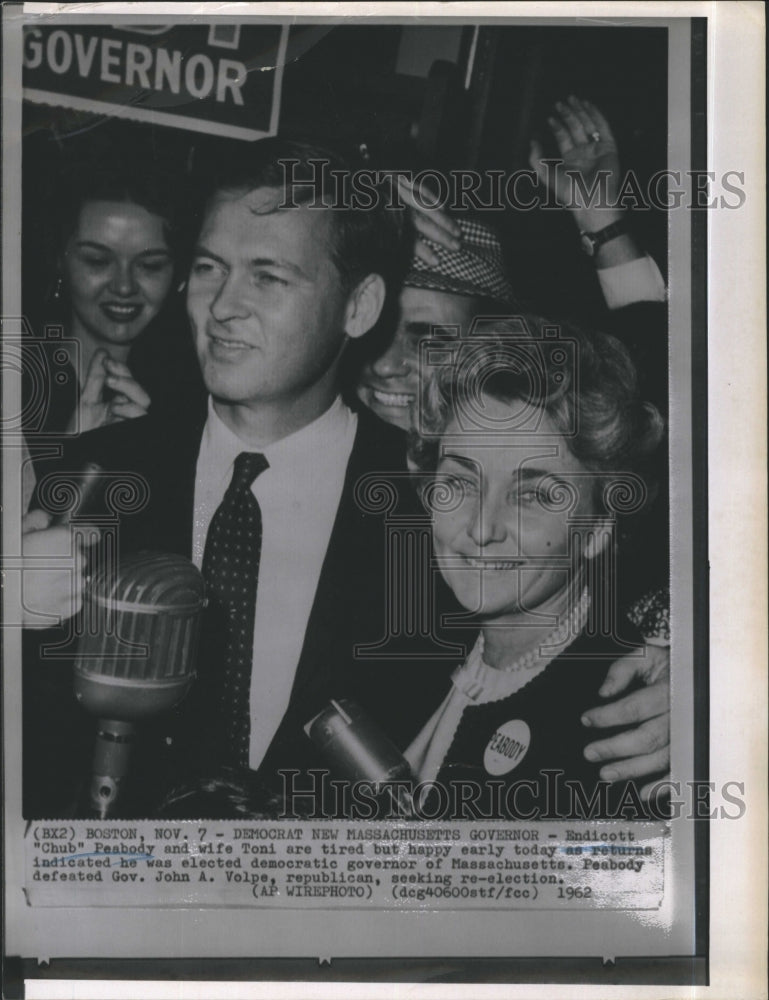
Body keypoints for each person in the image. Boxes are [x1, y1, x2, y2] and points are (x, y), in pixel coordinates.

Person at [404, 318, 666, 817]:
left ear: (599, 527)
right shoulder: (408, 653)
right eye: (460, 483)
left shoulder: (625, 726)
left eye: (532, 496)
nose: (482, 528)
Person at [22, 163, 201, 487]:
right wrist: (74, 461)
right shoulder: (17, 387)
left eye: (150, 265)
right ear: (59, 259)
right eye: (97, 261)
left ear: (179, 275)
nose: (124, 286)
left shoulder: (193, 402)